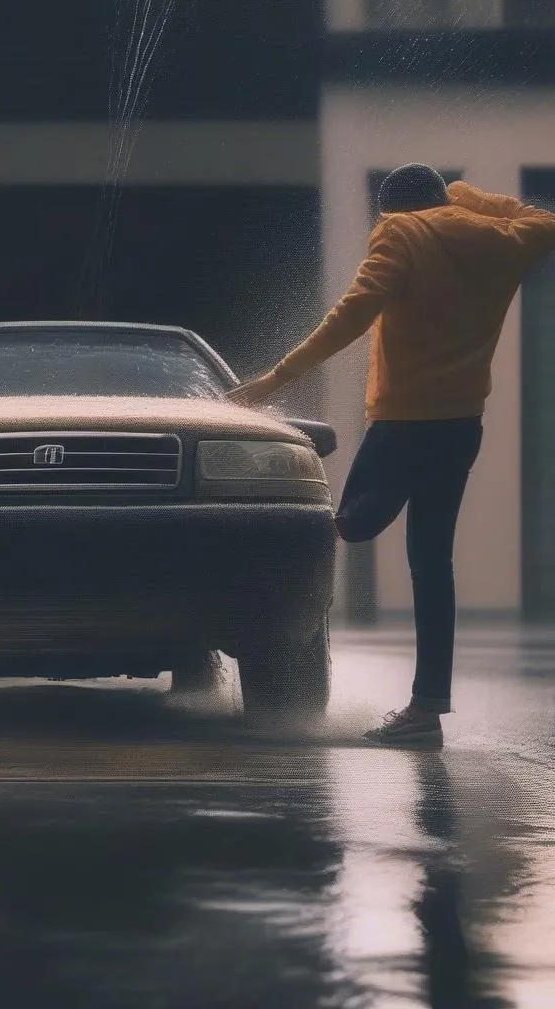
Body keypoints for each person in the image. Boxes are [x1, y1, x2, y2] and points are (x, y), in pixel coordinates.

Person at [227, 163, 555, 748]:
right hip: (460, 425)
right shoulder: (500, 238)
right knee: (432, 564)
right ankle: (426, 712)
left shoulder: (401, 233)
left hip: (403, 424)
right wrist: (466, 195)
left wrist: (273, 381)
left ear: (393, 210)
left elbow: (350, 315)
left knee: (344, 522)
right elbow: (542, 220)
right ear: (442, 197)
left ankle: (259, 613)